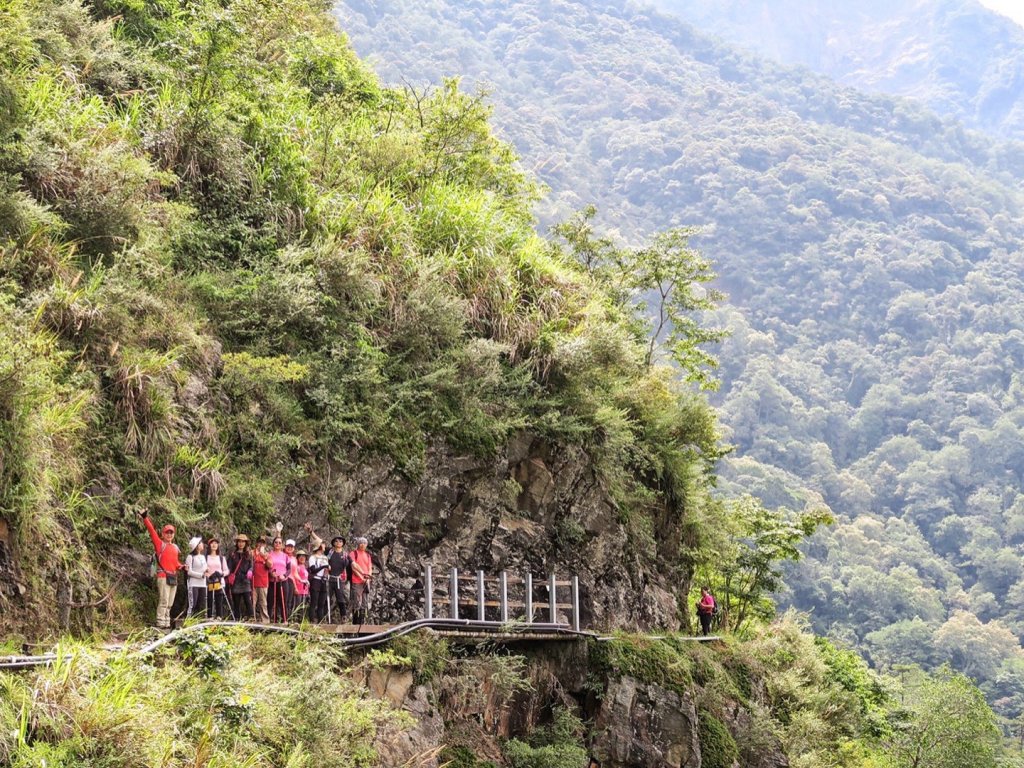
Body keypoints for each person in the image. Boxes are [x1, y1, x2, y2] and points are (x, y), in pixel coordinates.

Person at [138, 508, 181, 629]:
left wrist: (182, 566)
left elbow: (175, 562)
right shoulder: (160, 544)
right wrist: (145, 518)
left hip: (173, 577)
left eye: (171, 532)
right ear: (163, 534)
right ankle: (160, 622)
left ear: (174, 534)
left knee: (170, 603)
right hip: (163, 576)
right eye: (167, 532)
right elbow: (151, 531)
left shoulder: (175, 547)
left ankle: (167, 622)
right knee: (164, 600)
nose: (169, 534)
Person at [227, 534, 253, 621]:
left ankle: (251, 618)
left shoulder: (249, 554)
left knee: (248, 601)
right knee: (236, 602)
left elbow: (252, 566)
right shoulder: (233, 554)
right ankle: (237, 619)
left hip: (245, 580)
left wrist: (250, 571)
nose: (241, 543)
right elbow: (229, 566)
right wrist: (228, 573)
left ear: (246, 543)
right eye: (239, 541)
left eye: (243, 542)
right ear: (237, 543)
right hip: (236, 581)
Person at [267, 536, 291, 623]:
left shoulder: (285, 556)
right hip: (272, 581)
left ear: (282, 545)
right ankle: (271, 620)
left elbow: (289, 569)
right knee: (271, 601)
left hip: (283, 581)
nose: (277, 544)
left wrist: (284, 575)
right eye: (276, 542)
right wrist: (271, 572)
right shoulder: (269, 554)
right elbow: (267, 566)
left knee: (283, 601)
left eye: (279, 543)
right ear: (273, 544)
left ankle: (285, 620)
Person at [349, 536, 373, 625]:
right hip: (356, 581)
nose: (363, 545)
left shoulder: (368, 555)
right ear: (358, 544)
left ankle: (362, 623)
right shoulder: (353, 553)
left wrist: (368, 578)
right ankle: (355, 623)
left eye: (364, 543)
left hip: (366, 581)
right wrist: (362, 577)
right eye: (361, 543)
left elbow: (370, 568)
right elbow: (353, 567)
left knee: (364, 602)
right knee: (356, 602)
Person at [326, 536, 349, 623]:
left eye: (340, 541)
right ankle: (323, 617)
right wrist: (311, 532)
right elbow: (319, 542)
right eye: (336, 541)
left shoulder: (345, 555)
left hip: (340, 580)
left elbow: (352, 565)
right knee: (326, 598)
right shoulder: (329, 552)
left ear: (342, 543)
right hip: (329, 578)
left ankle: (343, 616)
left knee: (340, 598)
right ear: (333, 543)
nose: (338, 542)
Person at [205, 537, 229, 619]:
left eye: (216, 543)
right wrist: (208, 575)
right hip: (210, 581)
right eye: (212, 543)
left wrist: (221, 574)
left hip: (219, 581)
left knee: (219, 598)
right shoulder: (205, 558)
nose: (214, 545)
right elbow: (204, 570)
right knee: (210, 598)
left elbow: (226, 570)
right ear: (209, 545)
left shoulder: (221, 558)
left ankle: (219, 616)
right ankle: (209, 616)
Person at [185, 537, 207, 618]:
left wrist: (207, 571)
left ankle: (199, 620)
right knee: (192, 603)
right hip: (194, 583)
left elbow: (205, 568)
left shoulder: (203, 556)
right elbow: (189, 572)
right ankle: (188, 619)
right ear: (197, 546)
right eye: (200, 543)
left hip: (203, 583)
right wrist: (201, 575)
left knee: (201, 603)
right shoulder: (190, 557)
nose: (202, 544)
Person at [252, 538, 271, 623]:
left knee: (263, 603)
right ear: (256, 544)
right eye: (259, 543)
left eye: (263, 543)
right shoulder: (252, 553)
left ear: (265, 545)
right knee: (252, 602)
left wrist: (264, 556)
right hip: (252, 582)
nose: (261, 545)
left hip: (263, 582)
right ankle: (252, 620)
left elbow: (270, 565)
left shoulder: (267, 554)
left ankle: (265, 621)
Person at [292, 550, 310, 622]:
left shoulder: (304, 567)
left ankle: (301, 620)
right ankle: (295, 620)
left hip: (305, 590)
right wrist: (295, 588)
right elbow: (294, 576)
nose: (302, 558)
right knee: (297, 606)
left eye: (304, 556)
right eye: (300, 556)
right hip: (298, 589)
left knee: (303, 606)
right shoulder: (297, 567)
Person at [284, 538, 298, 618]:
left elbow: (294, 573)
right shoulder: (283, 555)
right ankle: (282, 617)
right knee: (284, 600)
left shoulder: (294, 559)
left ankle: (287, 618)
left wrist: (301, 580)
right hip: (284, 579)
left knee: (289, 601)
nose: (289, 548)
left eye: (291, 547)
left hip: (291, 581)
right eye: (288, 546)